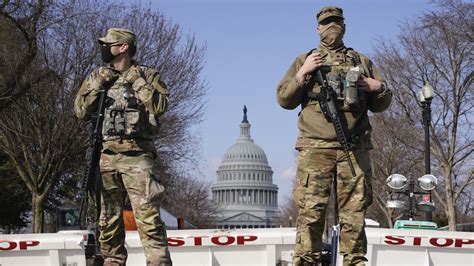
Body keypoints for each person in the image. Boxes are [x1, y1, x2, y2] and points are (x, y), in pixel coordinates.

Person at [276, 6, 392, 266]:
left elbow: (381, 104)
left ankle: (354, 262)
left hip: (354, 148)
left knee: (354, 215)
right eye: (326, 23)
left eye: (336, 22)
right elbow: (284, 99)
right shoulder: (305, 59)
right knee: (311, 213)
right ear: (317, 28)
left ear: (344, 26)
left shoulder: (361, 62)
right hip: (315, 149)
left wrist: (379, 87)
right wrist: (303, 72)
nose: (332, 28)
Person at [74, 28, 172, 266]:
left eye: (110, 44)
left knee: (149, 221)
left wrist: (136, 80)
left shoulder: (147, 74)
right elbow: (79, 111)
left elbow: (159, 106)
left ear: (124, 47)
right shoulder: (98, 75)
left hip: (138, 157)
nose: (104, 48)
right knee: (107, 222)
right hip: (106, 156)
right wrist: (97, 84)